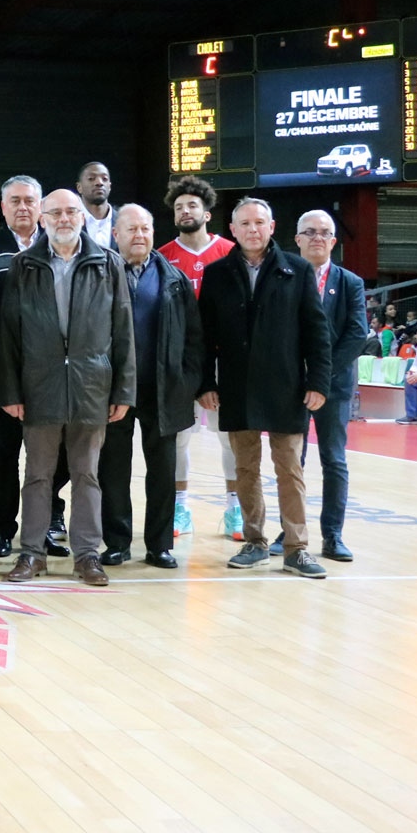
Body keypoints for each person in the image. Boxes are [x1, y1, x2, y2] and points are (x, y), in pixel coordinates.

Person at [0, 189, 133, 587]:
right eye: (54, 212)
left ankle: (88, 555)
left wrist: (123, 391)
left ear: (83, 218)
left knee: (87, 475)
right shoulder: (23, 265)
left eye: (70, 212)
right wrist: (10, 391)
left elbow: (123, 331)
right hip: (38, 386)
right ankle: (32, 553)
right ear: (42, 219)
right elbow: (9, 334)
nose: (63, 219)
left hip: (93, 386)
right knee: (38, 475)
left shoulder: (108, 263)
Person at [197, 197, 332, 579]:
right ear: (233, 230)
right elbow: (204, 338)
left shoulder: (299, 270)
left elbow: (316, 332)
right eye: (245, 223)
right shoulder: (217, 273)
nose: (253, 229)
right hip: (236, 387)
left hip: (288, 387)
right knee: (245, 468)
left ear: (271, 228)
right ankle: (254, 541)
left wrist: (318, 381)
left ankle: (297, 548)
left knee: (290, 469)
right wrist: (206, 382)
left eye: (260, 222)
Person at [98, 205, 201, 571]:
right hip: (113, 390)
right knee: (113, 470)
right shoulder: (100, 274)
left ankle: (159, 545)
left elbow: (193, 339)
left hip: (163, 390)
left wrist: (187, 383)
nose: (139, 235)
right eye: (131, 229)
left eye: (145, 228)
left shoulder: (174, 278)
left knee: (162, 472)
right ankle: (117, 542)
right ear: (116, 235)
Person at [268, 210, 366, 563]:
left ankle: (333, 535)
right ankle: (290, 532)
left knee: (334, 460)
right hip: (291, 387)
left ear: (334, 241)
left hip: (333, 387)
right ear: (296, 239)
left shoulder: (350, 283)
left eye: (325, 233)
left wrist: (320, 378)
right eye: (309, 232)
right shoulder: (280, 278)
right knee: (291, 462)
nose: (317, 238)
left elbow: (356, 335)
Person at [157, 175, 241, 542]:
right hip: (178, 360)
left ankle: (235, 508)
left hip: (223, 361)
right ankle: (180, 505)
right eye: (178, 207)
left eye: (191, 205)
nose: (185, 211)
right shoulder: (163, 256)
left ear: (207, 212)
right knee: (178, 439)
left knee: (229, 438)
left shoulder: (229, 251)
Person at [0, 175, 46, 558]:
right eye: (14, 201)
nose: (22, 207)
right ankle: (4, 529)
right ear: (2, 207)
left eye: (29, 200)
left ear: (40, 205)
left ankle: (45, 524)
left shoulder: (59, 247)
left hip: (50, 371)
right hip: (4, 368)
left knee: (49, 454)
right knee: (7, 451)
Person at [77, 162, 116, 249]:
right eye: (91, 179)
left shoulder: (123, 221)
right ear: (79, 187)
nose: (99, 182)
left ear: (109, 187)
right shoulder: (70, 221)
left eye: (104, 179)